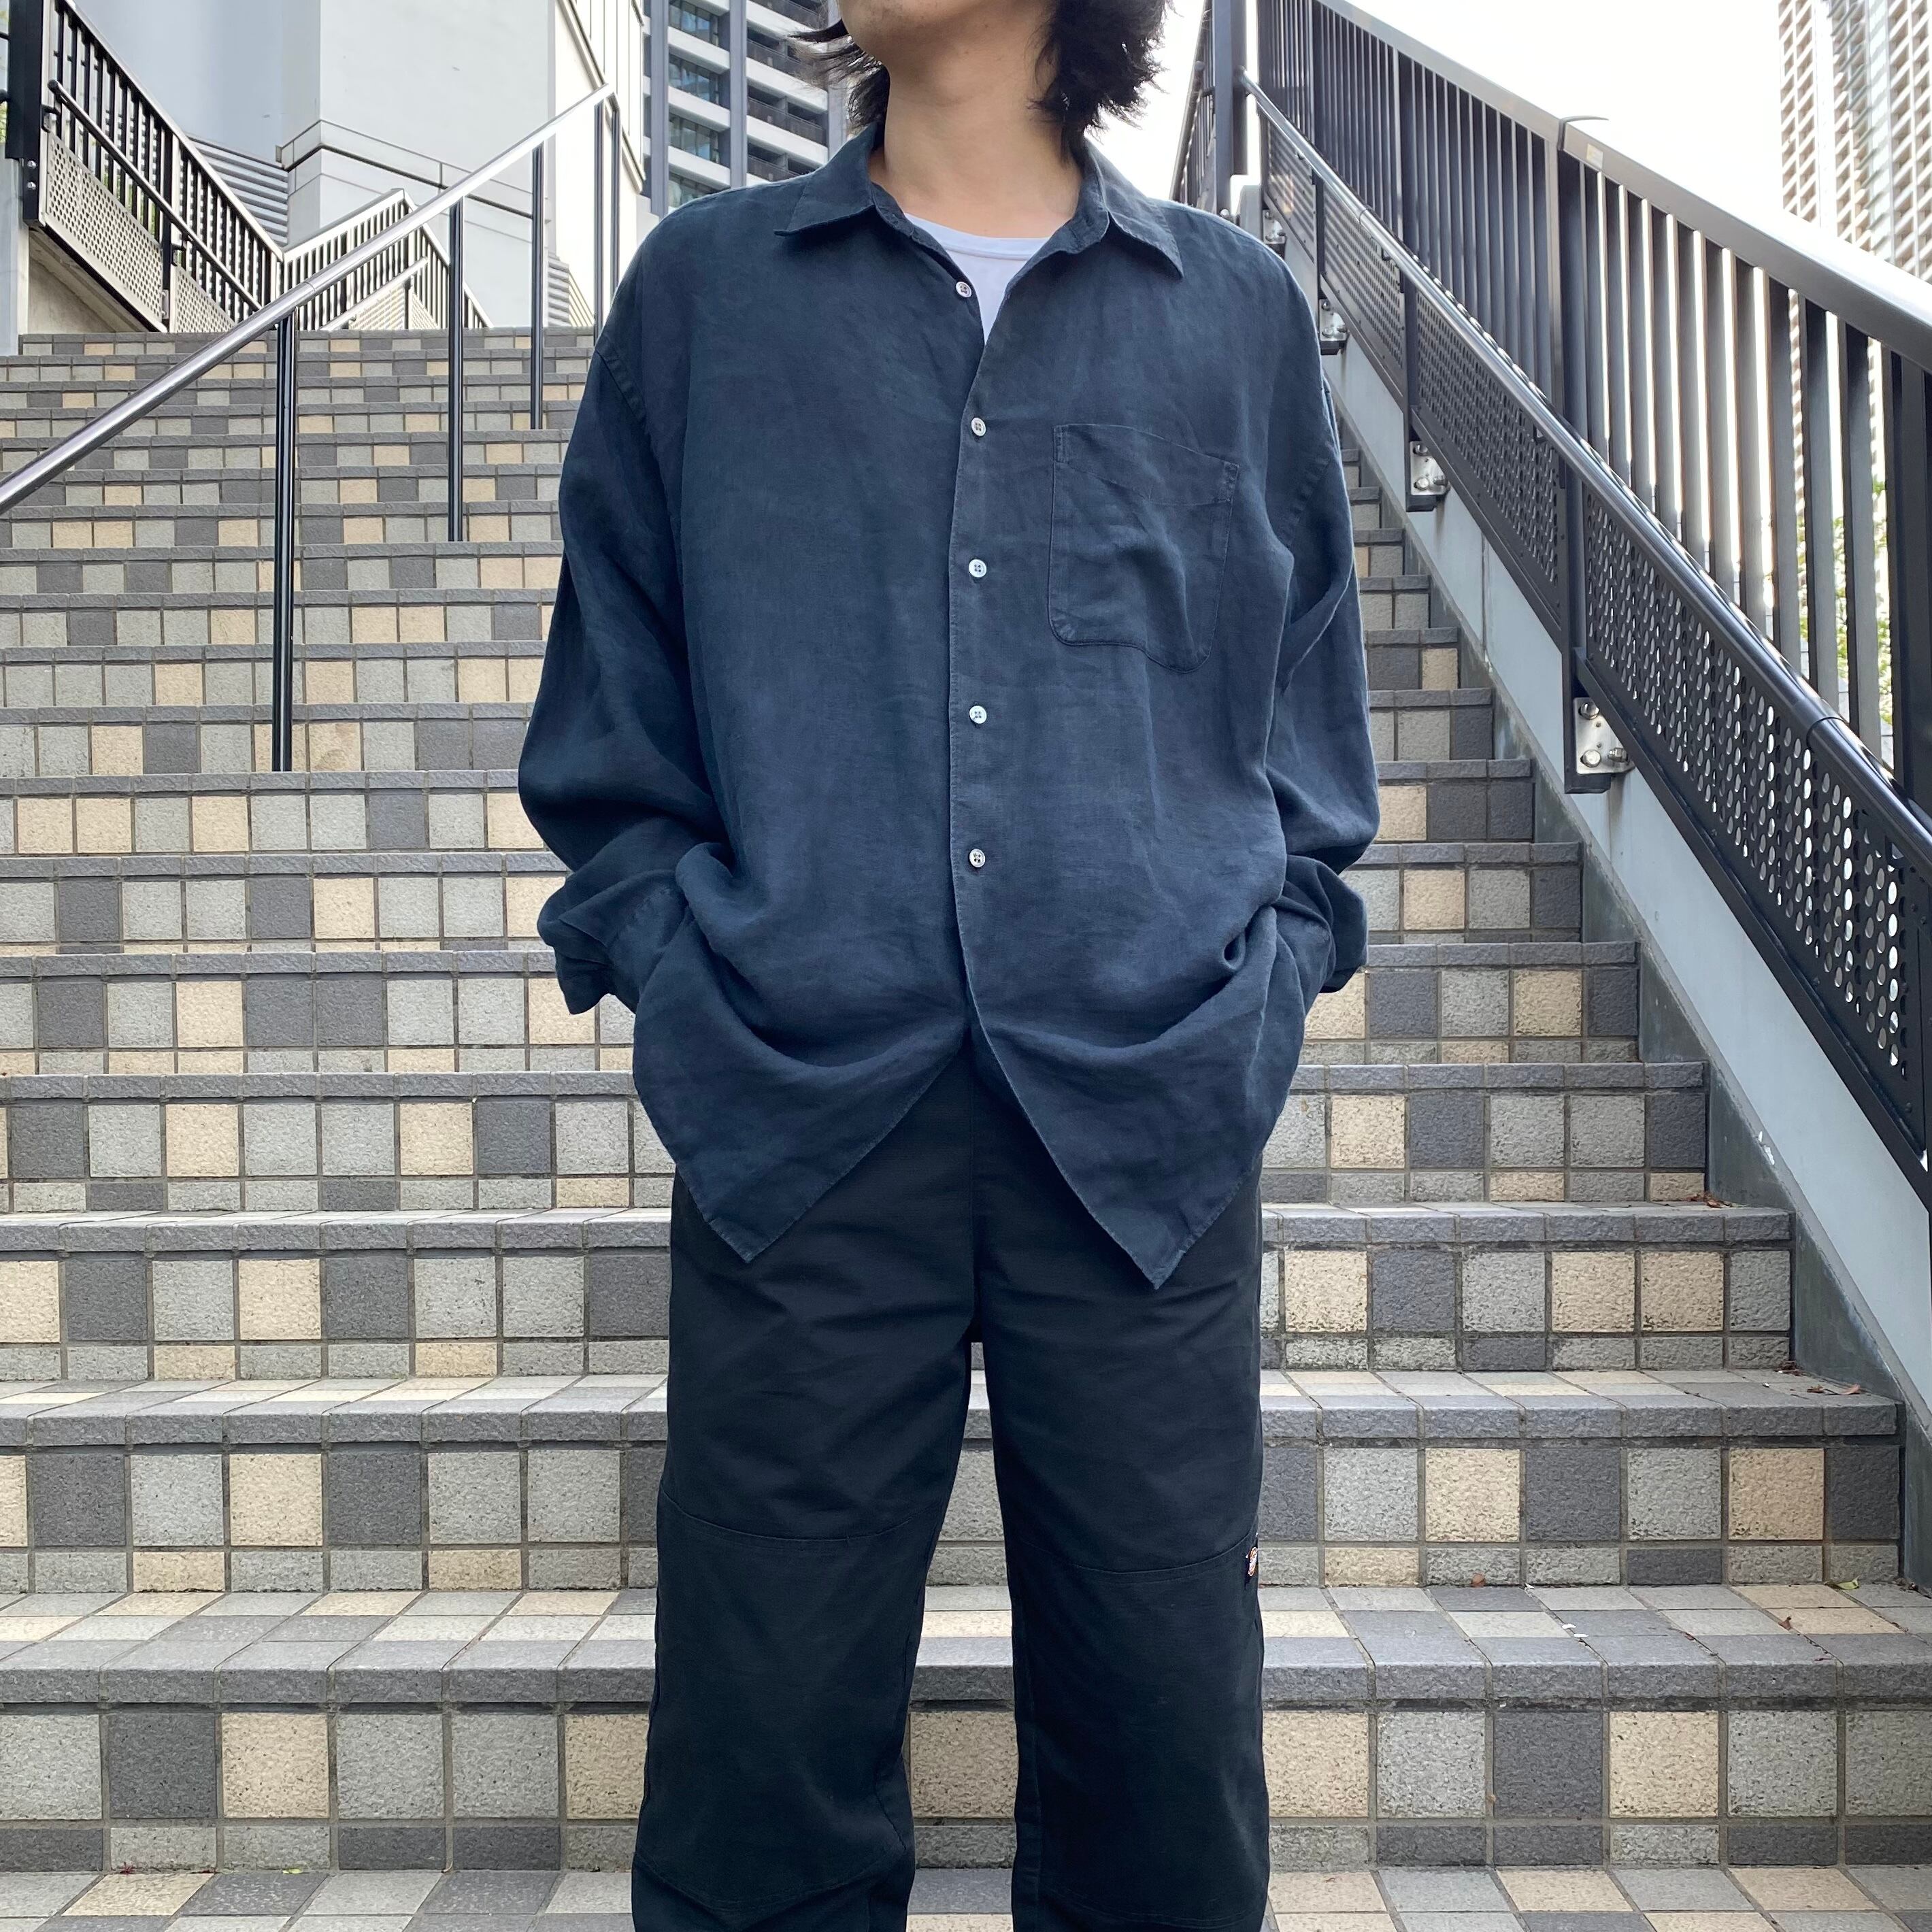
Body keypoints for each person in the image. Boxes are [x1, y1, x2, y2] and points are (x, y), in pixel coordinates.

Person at [516, 0, 1379, 1917]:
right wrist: (697, 987)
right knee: (757, 1762)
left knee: (1166, 1750)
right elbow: (611, 727)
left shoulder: (1233, 317)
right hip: (804, 1115)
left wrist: (1256, 992)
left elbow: (1309, 749)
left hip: (1144, 1125)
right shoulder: (708, 298)